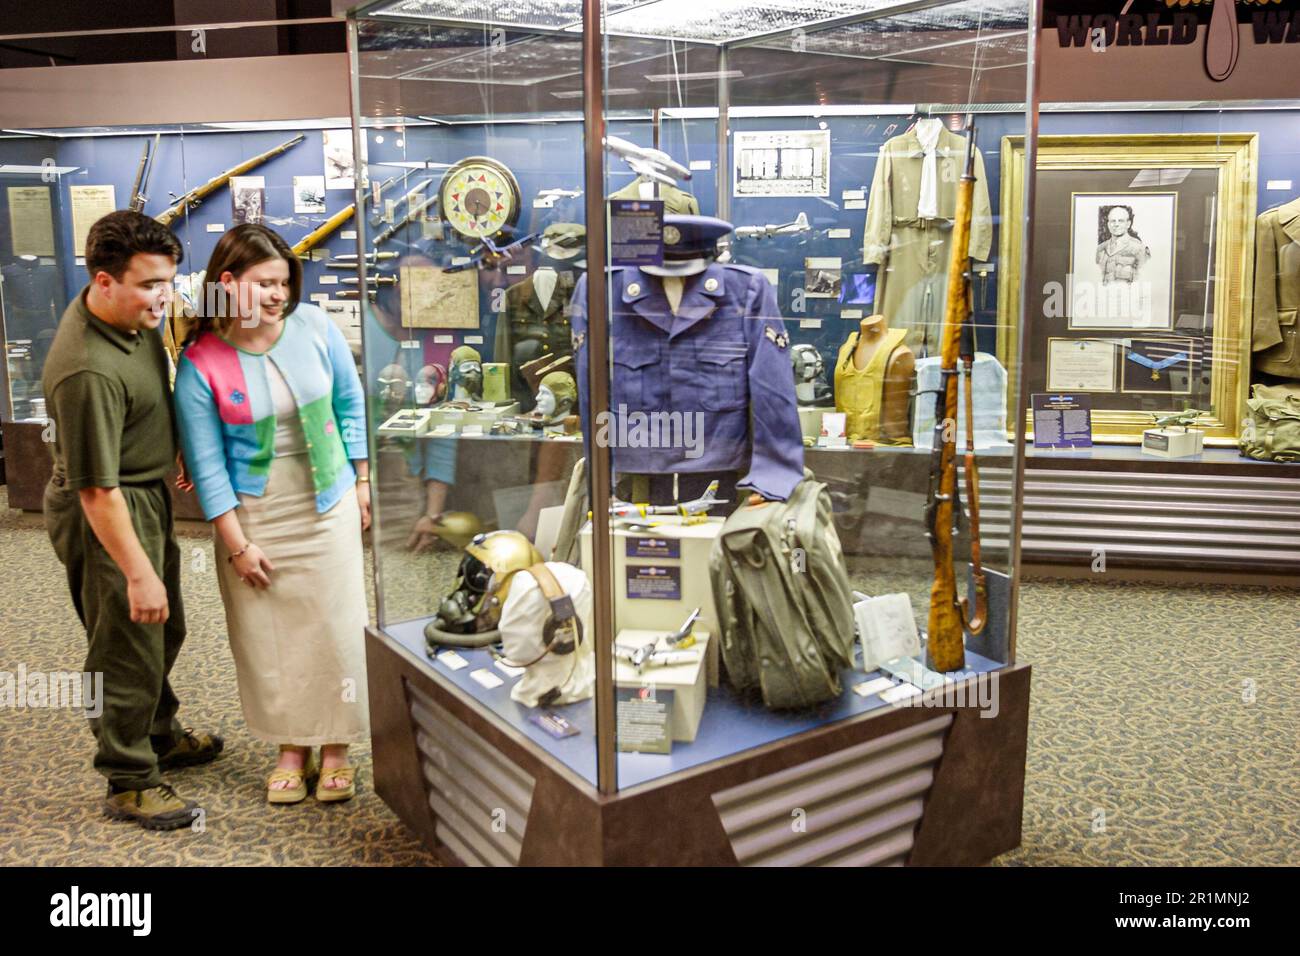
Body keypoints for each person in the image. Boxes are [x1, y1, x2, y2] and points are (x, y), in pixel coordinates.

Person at [173, 224, 370, 804]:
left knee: (335, 627)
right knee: (270, 638)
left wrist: (361, 479)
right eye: (264, 284)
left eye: (284, 282)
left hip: (327, 501)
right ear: (227, 283)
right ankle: (290, 746)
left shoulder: (314, 327)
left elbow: (350, 398)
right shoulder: (201, 360)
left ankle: (336, 746)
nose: (278, 294)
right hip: (255, 517)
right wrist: (236, 544)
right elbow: (207, 465)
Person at [43, 210, 224, 832]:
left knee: (161, 633)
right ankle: (129, 778)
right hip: (108, 509)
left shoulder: (130, 313)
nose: (162, 297)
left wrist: (168, 440)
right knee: (124, 644)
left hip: (143, 491)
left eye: (168, 281)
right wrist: (137, 573)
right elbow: (96, 493)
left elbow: (151, 383)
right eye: (149, 285)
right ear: (104, 281)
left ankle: (158, 733)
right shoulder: (85, 370)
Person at [1096, 204, 1150, 285]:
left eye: (1120, 221)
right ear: (1108, 224)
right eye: (1113, 221)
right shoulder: (1100, 249)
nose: (1116, 224)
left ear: (1128, 224)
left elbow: (1144, 280)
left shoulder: (1139, 249)